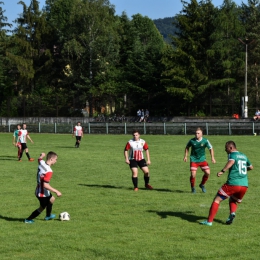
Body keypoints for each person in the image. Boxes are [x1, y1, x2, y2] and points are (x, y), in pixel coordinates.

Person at [200, 141, 253, 226]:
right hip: (244, 185)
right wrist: (241, 171)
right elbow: (251, 167)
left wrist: (222, 171)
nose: (225, 150)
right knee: (233, 199)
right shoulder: (243, 155)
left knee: (217, 200)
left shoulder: (232, 154)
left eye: (226, 148)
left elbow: (231, 162)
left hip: (233, 183)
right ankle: (232, 213)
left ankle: (209, 221)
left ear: (231, 148)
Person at [24, 152, 62, 223]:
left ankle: (48, 215)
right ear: (51, 159)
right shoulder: (49, 171)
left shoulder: (42, 163)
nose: (56, 161)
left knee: (52, 199)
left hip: (40, 190)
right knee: (42, 208)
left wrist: (42, 155)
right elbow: (45, 185)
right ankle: (28, 219)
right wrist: (56, 191)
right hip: (42, 193)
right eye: (55, 159)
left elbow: (39, 159)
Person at [183, 127, 216, 193]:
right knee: (193, 174)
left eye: (198, 133)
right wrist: (185, 156)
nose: (196, 134)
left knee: (207, 173)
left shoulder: (205, 141)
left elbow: (211, 148)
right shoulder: (192, 141)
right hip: (194, 160)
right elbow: (187, 147)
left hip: (202, 159)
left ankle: (202, 185)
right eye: (196, 133)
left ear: (201, 134)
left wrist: (212, 157)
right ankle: (193, 188)